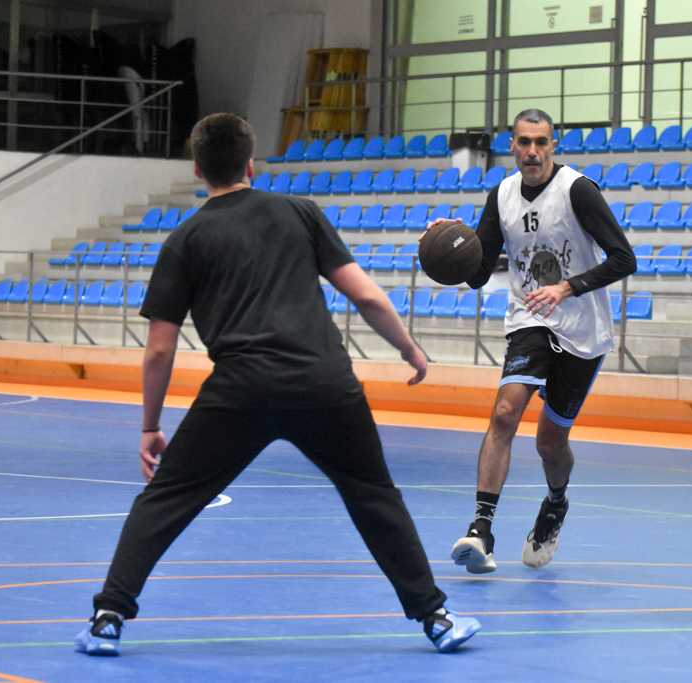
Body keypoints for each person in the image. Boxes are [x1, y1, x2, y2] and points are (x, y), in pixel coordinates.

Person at [74, 113, 480, 656]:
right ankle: (436, 618)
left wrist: (150, 426)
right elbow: (365, 295)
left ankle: (108, 617)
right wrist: (409, 348)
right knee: (374, 496)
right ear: (251, 164)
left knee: (166, 498)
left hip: (240, 390)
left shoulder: (185, 240)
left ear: (197, 169)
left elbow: (160, 349)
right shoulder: (299, 212)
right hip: (324, 383)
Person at [436, 108, 635, 574]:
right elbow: (477, 273)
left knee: (550, 442)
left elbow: (624, 259)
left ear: (553, 145)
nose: (532, 151)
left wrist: (567, 287)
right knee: (505, 412)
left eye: (540, 142)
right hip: (530, 318)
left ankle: (556, 502)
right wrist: (449, 243)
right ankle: (481, 530)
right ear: (512, 146)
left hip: (582, 328)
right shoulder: (502, 195)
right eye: (524, 142)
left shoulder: (577, 190)